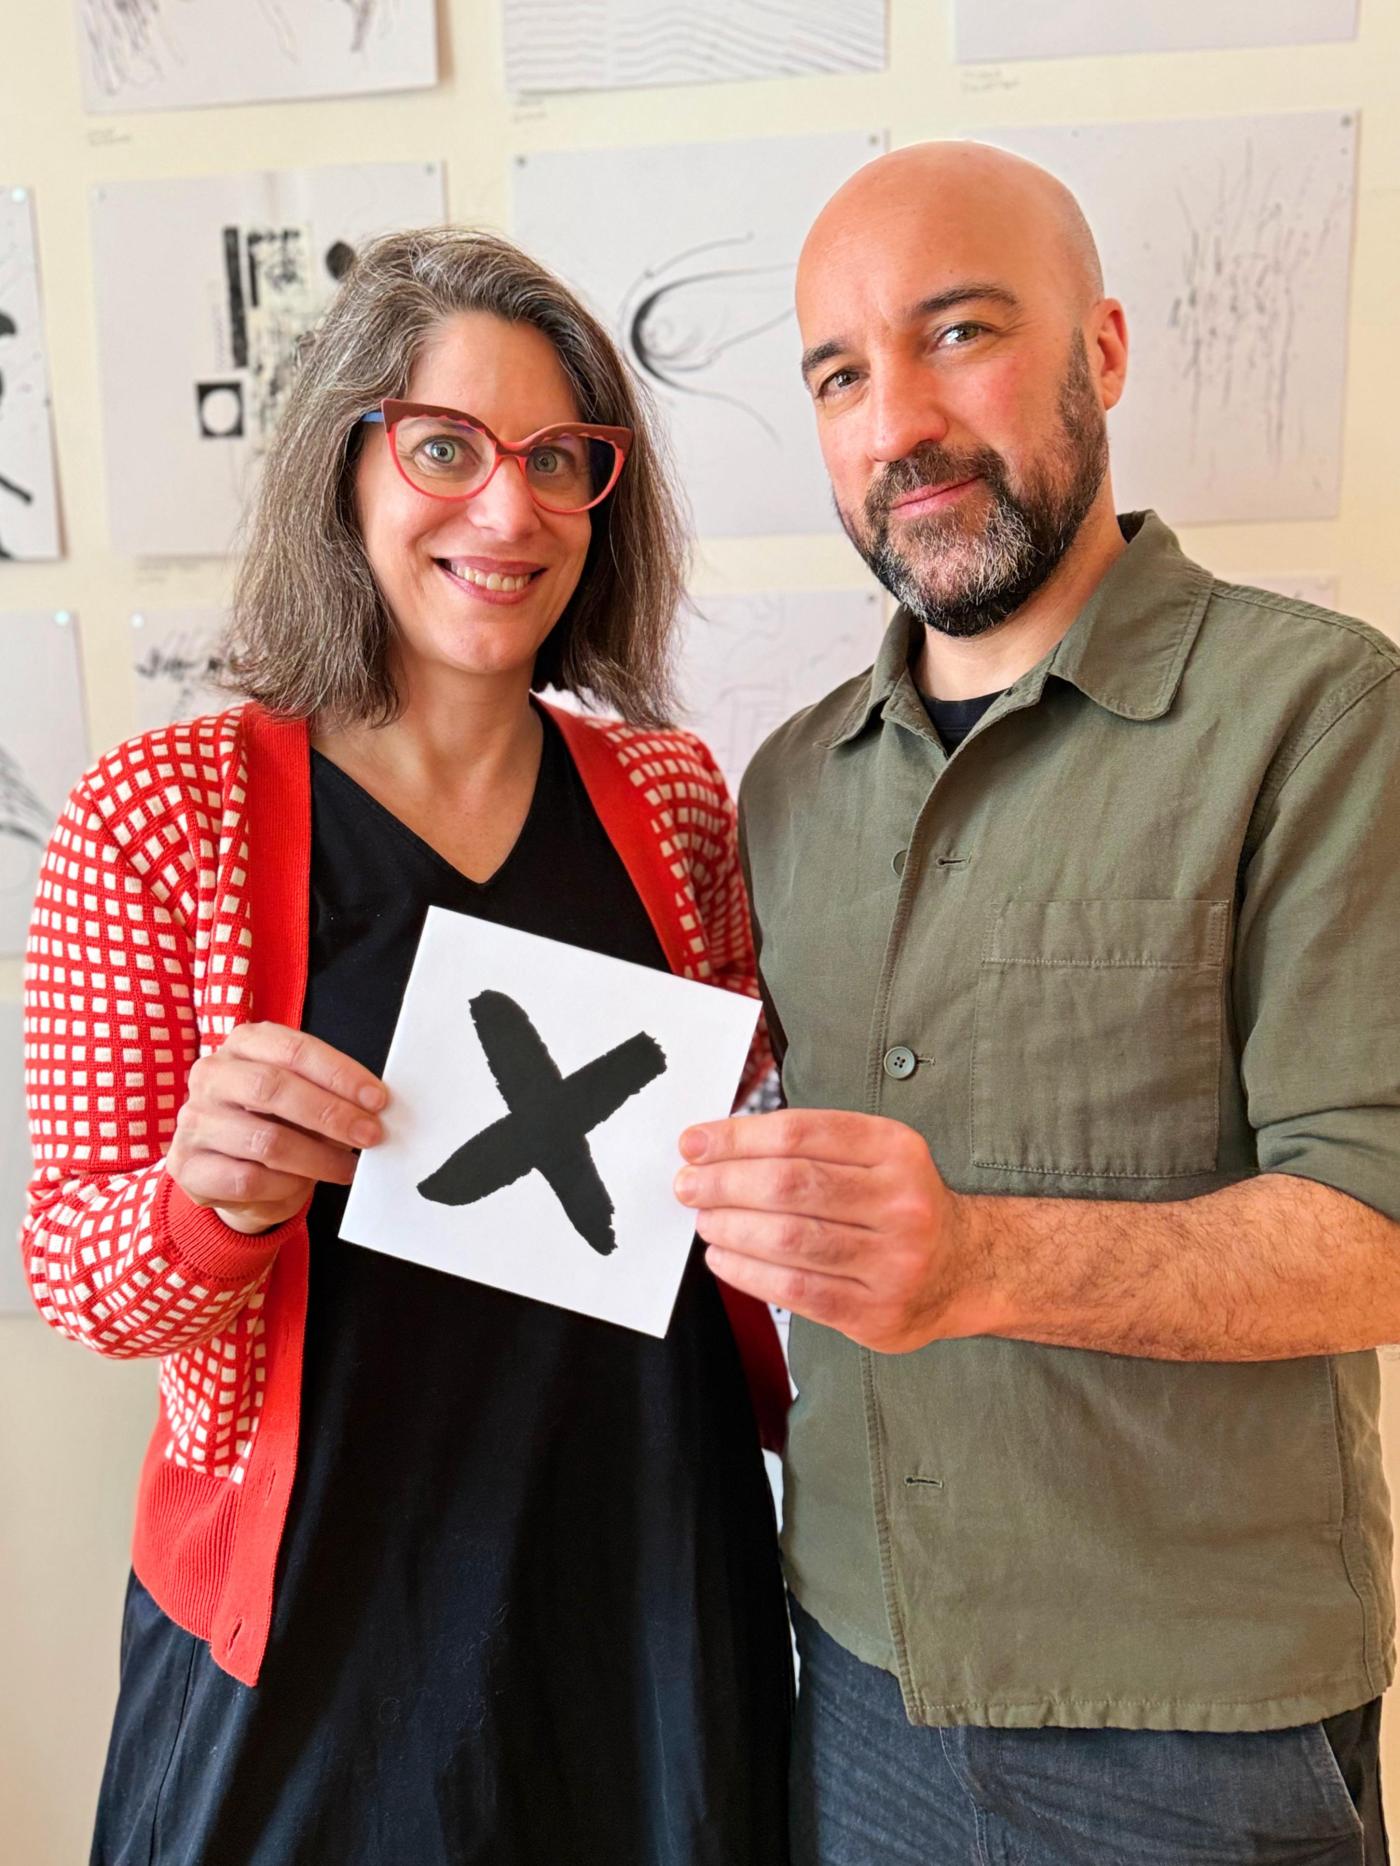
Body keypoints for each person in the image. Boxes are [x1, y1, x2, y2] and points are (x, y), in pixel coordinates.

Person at [23, 227, 793, 1865]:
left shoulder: (672, 799)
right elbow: (75, 1277)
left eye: (560, 460)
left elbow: (733, 1175)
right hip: (321, 1625)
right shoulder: (163, 813)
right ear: (347, 460)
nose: (508, 512)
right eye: (447, 447)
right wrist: (202, 1198)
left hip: (642, 1586)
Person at [673, 141, 1398, 1862]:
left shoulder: (1322, 716)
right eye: (841, 375)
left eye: (961, 333)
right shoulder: (783, 788)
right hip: (854, 1678)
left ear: (1106, 351)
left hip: (1199, 1738)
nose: (899, 422)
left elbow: (1379, 1229)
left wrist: (977, 1258)